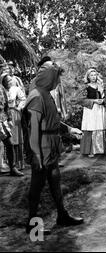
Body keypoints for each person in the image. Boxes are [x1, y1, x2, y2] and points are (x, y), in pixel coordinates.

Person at [24, 62, 83, 235]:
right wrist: (36, 156)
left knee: (55, 181)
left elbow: (53, 120)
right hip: (41, 146)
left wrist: (69, 129)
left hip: (50, 143)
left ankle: (62, 215)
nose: (58, 81)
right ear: (50, 77)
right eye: (57, 77)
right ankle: (32, 224)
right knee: (37, 185)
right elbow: (33, 130)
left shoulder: (46, 94)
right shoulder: (36, 96)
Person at [79, 68, 106, 158]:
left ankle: (100, 150)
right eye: (91, 75)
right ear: (88, 76)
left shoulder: (101, 86)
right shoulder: (85, 87)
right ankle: (90, 150)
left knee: (99, 127)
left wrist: (102, 101)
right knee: (91, 127)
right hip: (90, 109)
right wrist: (94, 101)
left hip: (99, 108)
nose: (93, 77)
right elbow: (81, 100)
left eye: (95, 75)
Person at [2, 73, 26, 171]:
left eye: (10, 80)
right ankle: (9, 164)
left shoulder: (15, 89)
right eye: (7, 81)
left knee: (17, 139)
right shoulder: (2, 90)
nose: (9, 82)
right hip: (4, 116)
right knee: (8, 139)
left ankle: (19, 163)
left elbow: (23, 99)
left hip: (14, 114)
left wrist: (19, 107)